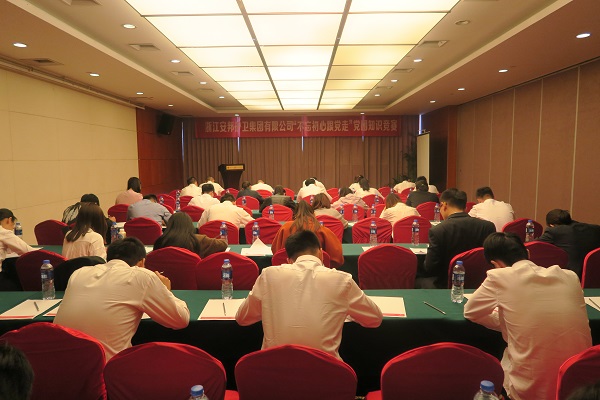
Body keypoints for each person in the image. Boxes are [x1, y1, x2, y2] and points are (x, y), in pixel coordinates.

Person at [464, 232, 591, 400]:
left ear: (495, 264)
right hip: (580, 385)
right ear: (528, 254)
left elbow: (471, 311)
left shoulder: (499, 276)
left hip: (532, 388)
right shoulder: (570, 276)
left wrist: (504, 321)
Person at [235, 230, 382, 360]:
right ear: (321, 253)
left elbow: (242, 318)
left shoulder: (268, 275)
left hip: (274, 372)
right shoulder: (342, 279)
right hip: (327, 373)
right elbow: (375, 319)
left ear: (289, 261)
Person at [54, 237, 189, 360]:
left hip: (59, 362)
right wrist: (165, 289)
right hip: (106, 368)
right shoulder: (141, 276)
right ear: (141, 263)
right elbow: (180, 320)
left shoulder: (79, 273)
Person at [422, 188, 495, 288]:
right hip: (480, 284)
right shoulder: (487, 227)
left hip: (446, 285)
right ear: (465, 207)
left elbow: (430, 268)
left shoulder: (438, 231)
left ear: (444, 205)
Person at [271, 201, 343, 269]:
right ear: (313, 213)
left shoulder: (285, 228)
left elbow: (276, 252)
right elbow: (337, 257)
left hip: (288, 271)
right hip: (317, 272)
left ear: (294, 214)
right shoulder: (322, 229)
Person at [537, 209, 600, 278]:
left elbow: (535, 244)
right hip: (595, 275)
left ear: (551, 225)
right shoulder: (595, 229)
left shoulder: (554, 231)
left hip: (572, 276)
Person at [153, 212, 227, 258]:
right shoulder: (200, 240)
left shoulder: (160, 241)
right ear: (190, 225)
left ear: (169, 225)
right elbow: (223, 245)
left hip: (163, 278)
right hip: (193, 277)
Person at [0, 209, 35, 291]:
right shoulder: (4, 232)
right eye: (13, 224)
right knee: (19, 286)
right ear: (9, 220)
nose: (13, 228)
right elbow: (26, 250)